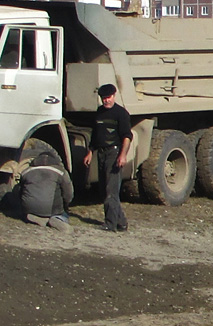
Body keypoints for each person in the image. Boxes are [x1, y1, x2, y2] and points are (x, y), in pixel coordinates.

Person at [82, 83, 132, 232]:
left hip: (114, 153)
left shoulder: (121, 113)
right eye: (104, 98)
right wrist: (90, 152)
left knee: (111, 190)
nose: (106, 101)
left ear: (114, 96)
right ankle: (121, 222)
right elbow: (95, 135)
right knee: (104, 190)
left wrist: (122, 156)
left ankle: (110, 224)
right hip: (101, 153)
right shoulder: (99, 113)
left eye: (109, 98)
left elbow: (127, 137)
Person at [19, 151, 74, 231]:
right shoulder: (60, 172)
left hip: (29, 208)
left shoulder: (26, 171)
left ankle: (35, 216)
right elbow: (68, 193)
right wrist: (66, 204)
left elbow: (21, 191)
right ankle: (57, 218)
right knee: (65, 214)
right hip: (51, 209)